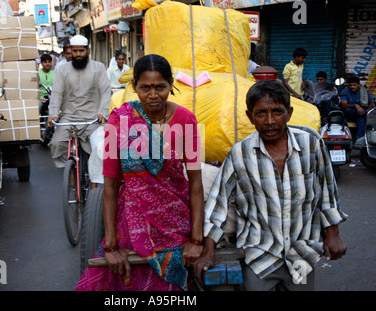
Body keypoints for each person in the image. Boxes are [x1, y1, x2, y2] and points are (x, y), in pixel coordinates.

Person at [194, 79, 347, 291]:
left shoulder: (311, 143)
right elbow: (217, 204)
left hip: (301, 253)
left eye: (277, 112)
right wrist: (208, 251)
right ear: (249, 117)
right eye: (260, 113)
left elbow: (327, 191)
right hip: (260, 254)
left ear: (289, 113)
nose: (269, 121)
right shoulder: (240, 154)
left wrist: (333, 233)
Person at [75, 54, 204, 291]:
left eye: (160, 87)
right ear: (134, 86)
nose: (153, 95)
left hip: (175, 218)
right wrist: (112, 247)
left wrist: (196, 240)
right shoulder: (120, 121)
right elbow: (111, 185)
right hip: (132, 215)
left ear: (171, 84)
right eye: (145, 87)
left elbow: (195, 183)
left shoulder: (186, 120)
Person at [47, 35, 110, 188]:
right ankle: (70, 171)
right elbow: (57, 93)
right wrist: (53, 114)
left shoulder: (99, 67)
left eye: (81, 51)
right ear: (70, 51)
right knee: (56, 143)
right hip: (69, 117)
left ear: (88, 50)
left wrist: (102, 113)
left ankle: (95, 180)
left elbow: (106, 92)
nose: (78, 54)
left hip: (93, 118)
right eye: (74, 51)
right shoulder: (62, 69)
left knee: (99, 147)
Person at [340, 75, 374, 140]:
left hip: (362, 114)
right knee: (347, 110)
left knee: (361, 120)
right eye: (351, 85)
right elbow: (344, 105)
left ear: (359, 85)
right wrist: (356, 106)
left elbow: (371, 103)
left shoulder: (364, 91)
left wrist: (368, 112)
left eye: (354, 85)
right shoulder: (345, 91)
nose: (352, 87)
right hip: (351, 114)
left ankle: (359, 140)